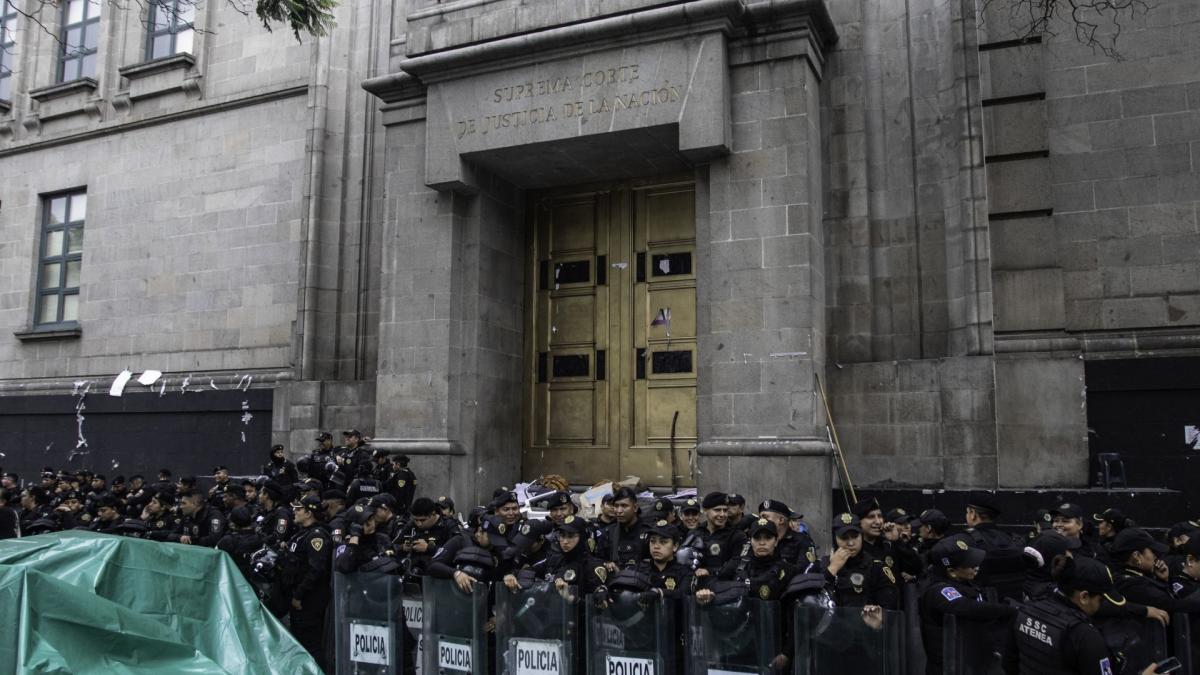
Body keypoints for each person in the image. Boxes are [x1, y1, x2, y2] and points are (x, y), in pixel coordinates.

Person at [1006, 555, 1127, 675]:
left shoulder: (1024, 611)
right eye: (1100, 600)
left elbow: (1009, 664)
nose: (1101, 606)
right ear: (1084, 597)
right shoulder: (1086, 637)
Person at [919, 534, 1018, 675]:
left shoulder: (964, 582)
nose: (976, 567)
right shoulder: (938, 590)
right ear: (951, 572)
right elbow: (968, 607)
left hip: (970, 663)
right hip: (949, 667)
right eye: (970, 565)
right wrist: (1008, 610)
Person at [283, 495, 332, 670]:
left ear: (309, 513)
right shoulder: (301, 534)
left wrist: (298, 595)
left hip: (309, 600)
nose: (294, 512)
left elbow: (316, 570)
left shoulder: (316, 536)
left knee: (310, 645)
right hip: (298, 597)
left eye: (299, 509)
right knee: (299, 642)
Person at [820, 512, 899, 610]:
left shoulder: (876, 567)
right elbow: (815, 603)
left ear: (861, 536)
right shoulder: (823, 565)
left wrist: (878, 616)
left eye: (855, 536)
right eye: (844, 538)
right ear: (834, 539)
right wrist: (832, 570)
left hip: (865, 624)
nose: (850, 543)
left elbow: (890, 607)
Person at [964, 492, 1025, 601]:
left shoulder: (967, 541)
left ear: (973, 514)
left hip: (984, 609)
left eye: (967, 512)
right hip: (1014, 607)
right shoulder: (1015, 539)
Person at [691, 491, 747, 577]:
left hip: (725, 586)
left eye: (725, 510)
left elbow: (738, 563)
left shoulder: (737, 536)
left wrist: (710, 572)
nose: (722, 514)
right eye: (717, 510)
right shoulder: (695, 533)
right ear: (705, 510)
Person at [760, 499, 818, 567]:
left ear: (781, 520)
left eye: (765, 517)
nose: (760, 521)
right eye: (760, 517)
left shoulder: (802, 540)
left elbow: (806, 570)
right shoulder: (757, 540)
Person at [604, 487, 649, 569]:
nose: (619, 510)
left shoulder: (648, 532)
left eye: (624, 506)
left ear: (635, 508)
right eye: (616, 506)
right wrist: (607, 564)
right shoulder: (609, 532)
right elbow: (599, 559)